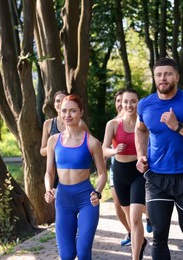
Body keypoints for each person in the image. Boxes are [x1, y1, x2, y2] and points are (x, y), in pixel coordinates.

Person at [135, 57, 183, 260]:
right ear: (154, 77)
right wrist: (141, 155)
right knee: (159, 236)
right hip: (156, 178)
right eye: (159, 74)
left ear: (177, 77)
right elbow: (141, 130)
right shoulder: (145, 104)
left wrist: (177, 126)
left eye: (168, 74)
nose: (163, 78)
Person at [44, 95, 107, 260]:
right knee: (67, 255)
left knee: (83, 252)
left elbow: (102, 174)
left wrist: (98, 192)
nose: (68, 115)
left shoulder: (92, 142)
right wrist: (48, 189)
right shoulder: (53, 140)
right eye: (64, 111)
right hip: (63, 199)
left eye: (73, 110)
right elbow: (49, 173)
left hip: (87, 199)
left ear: (81, 113)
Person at [103, 88, 147, 260]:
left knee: (136, 217)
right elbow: (104, 150)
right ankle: (140, 242)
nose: (129, 105)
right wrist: (114, 151)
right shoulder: (113, 124)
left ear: (138, 103)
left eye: (133, 102)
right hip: (120, 173)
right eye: (125, 101)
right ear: (121, 103)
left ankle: (135, 257)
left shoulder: (144, 124)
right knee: (130, 219)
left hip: (138, 173)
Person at [40, 90, 89, 188]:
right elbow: (42, 151)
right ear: (54, 104)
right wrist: (56, 145)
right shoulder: (48, 124)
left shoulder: (80, 123)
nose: (60, 103)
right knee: (56, 199)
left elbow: (89, 144)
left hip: (74, 169)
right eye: (57, 101)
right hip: (54, 168)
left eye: (63, 100)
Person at [108, 88, 132, 246]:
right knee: (117, 202)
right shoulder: (112, 123)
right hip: (115, 166)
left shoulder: (135, 120)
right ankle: (131, 232)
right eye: (117, 101)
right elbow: (104, 147)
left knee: (137, 203)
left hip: (134, 166)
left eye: (122, 101)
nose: (119, 104)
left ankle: (148, 219)